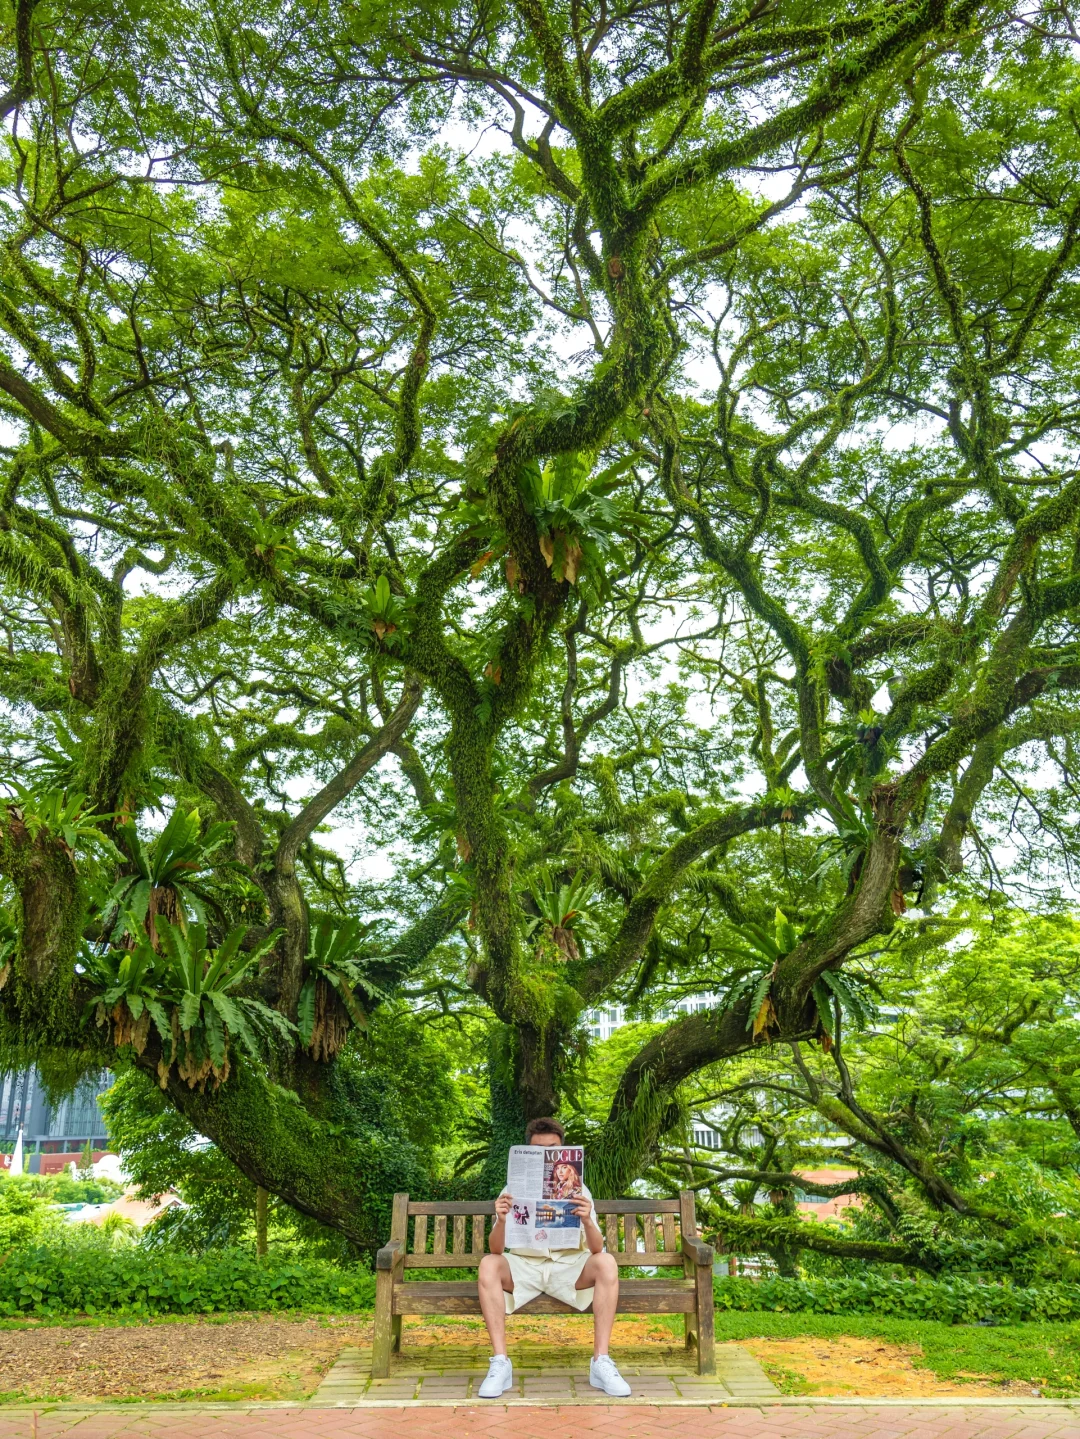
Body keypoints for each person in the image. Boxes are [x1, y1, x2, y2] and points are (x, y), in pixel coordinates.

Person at [476, 1116, 632, 1399]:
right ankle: (500, 1362)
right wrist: (500, 1220)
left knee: (607, 1262)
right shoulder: (511, 1191)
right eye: (538, 1149)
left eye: (552, 1148)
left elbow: (597, 1250)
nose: (545, 1155)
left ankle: (601, 1361)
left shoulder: (579, 1190)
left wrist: (587, 1221)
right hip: (524, 1266)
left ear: (562, 1151)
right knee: (488, 1264)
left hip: (569, 1268)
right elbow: (497, 1251)